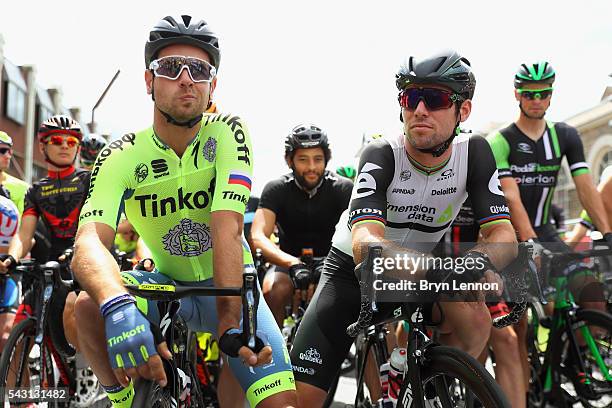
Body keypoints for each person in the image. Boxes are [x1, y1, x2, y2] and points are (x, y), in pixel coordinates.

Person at [71, 15, 296, 408]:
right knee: (87, 305)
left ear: (212, 85)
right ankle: (122, 400)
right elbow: (88, 242)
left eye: (199, 69)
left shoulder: (228, 131)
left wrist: (229, 322)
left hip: (228, 287)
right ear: (148, 82)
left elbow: (227, 227)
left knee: (281, 404)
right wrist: (117, 303)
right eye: (171, 67)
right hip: (165, 286)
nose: (186, 78)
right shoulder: (120, 155)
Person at [291, 50, 517, 408]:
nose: (420, 110)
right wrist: (444, 268)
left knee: (476, 319)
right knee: (298, 402)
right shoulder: (381, 152)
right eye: (411, 98)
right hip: (351, 277)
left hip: (420, 275)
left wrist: (477, 262)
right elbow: (366, 243)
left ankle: (428, 383)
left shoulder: (474, 152)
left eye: (437, 98)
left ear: (464, 110)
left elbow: (504, 236)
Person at [486, 60, 612, 403]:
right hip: (513, 237)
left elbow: (586, 186)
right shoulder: (501, 140)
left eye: (544, 93)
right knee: (522, 326)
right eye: (530, 94)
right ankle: (528, 392)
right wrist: (530, 244)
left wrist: (607, 232)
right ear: (518, 95)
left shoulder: (566, 135)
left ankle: (574, 360)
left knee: (591, 290)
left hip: (548, 231)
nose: (537, 99)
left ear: (551, 95)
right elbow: (510, 196)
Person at [0, 115, 96, 405]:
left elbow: (96, 221)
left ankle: (87, 372)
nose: (65, 146)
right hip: (47, 267)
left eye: (71, 141)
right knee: (16, 335)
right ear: (43, 146)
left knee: (70, 306)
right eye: (56, 141)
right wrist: (12, 258)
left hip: (84, 259)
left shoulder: (86, 180)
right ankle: (23, 399)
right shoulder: (36, 191)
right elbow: (24, 234)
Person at [251, 124, 353, 325]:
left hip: (332, 262)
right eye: (303, 160)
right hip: (288, 263)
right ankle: (275, 352)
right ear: (290, 161)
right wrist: (293, 263)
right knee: (273, 290)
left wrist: (333, 264)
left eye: (318, 159)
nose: (312, 167)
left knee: (352, 296)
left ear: (326, 159)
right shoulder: (276, 189)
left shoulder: (343, 188)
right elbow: (257, 236)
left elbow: (356, 232)